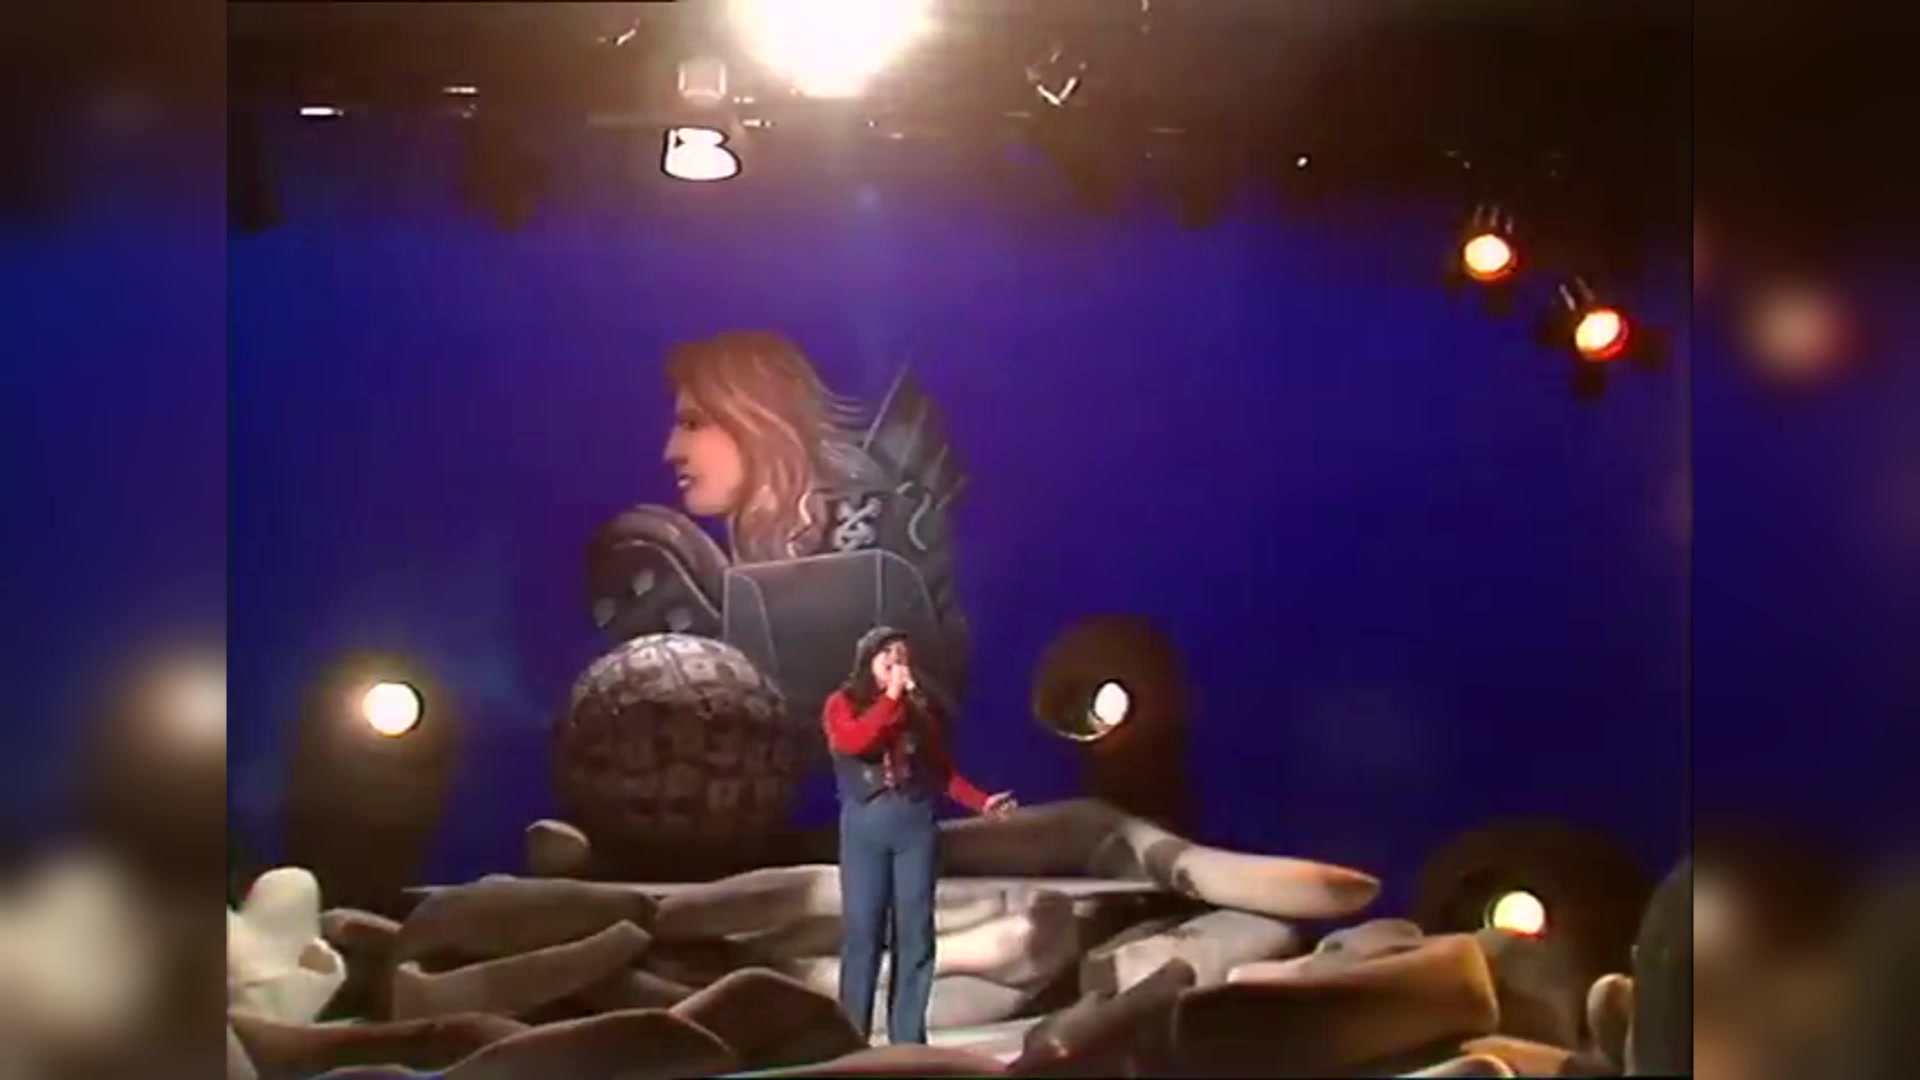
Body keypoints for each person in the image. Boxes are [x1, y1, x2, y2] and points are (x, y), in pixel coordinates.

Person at [822, 627, 1016, 1045]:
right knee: (863, 931)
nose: (896, 660)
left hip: (914, 825)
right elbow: (857, 741)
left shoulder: (917, 712)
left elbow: (940, 771)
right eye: (887, 653)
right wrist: (893, 697)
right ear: (868, 660)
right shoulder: (841, 703)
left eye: (902, 654)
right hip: (864, 827)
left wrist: (982, 802)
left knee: (915, 933)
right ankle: (849, 1036)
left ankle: (907, 1039)